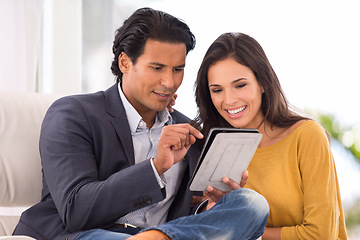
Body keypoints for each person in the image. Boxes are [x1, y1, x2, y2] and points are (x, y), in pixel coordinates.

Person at [13, 8, 269, 240]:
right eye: (157, 68)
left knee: (252, 203)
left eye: (177, 69)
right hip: (86, 235)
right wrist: (155, 168)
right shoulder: (73, 114)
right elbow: (76, 210)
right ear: (125, 62)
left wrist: (209, 206)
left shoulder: (187, 130)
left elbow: (181, 213)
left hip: (163, 233)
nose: (169, 82)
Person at [194, 32, 347, 239]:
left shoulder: (307, 136)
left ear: (263, 83)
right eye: (217, 90)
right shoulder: (215, 148)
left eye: (240, 85)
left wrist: (247, 232)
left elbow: (321, 234)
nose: (229, 100)